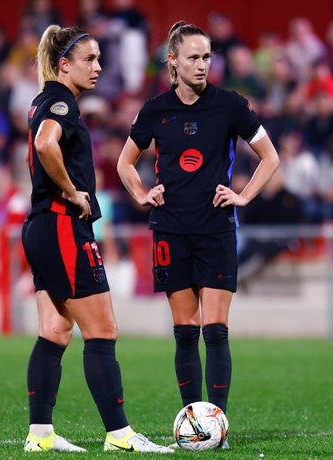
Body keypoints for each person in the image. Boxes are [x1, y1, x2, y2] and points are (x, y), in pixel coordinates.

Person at [116, 21, 280, 448]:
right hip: (170, 229)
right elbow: (124, 163)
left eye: (207, 57)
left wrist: (243, 196)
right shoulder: (155, 109)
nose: (202, 64)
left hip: (216, 230)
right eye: (193, 57)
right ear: (173, 61)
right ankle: (192, 428)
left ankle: (219, 427)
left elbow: (270, 156)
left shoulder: (229, 105)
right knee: (185, 329)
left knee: (217, 329)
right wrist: (140, 194)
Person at [21, 25, 172, 454]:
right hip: (63, 225)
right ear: (64, 64)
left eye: (100, 59)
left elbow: (38, 144)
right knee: (103, 330)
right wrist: (71, 191)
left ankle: (41, 435)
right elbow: (45, 145)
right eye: (90, 59)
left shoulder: (41, 101)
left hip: (40, 227)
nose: (98, 67)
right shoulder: (61, 103)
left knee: (53, 331)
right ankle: (120, 436)